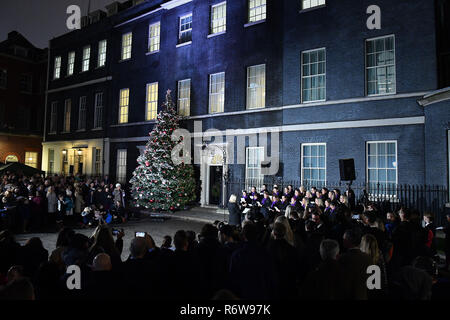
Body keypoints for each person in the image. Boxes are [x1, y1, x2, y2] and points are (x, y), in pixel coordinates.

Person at [229, 222, 276, 299]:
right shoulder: (265, 253)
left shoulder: (237, 254)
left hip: (243, 292)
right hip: (261, 292)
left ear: (243, 236)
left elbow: (233, 277)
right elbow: (270, 276)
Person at [267, 222, 301, 299]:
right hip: (289, 284)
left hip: (273, 284)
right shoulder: (292, 249)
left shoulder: (268, 249)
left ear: (274, 233)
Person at [338, 228, 373, 300]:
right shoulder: (368, 258)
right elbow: (373, 284)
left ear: (347, 241)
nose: (342, 241)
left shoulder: (342, 259)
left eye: (344, 239)